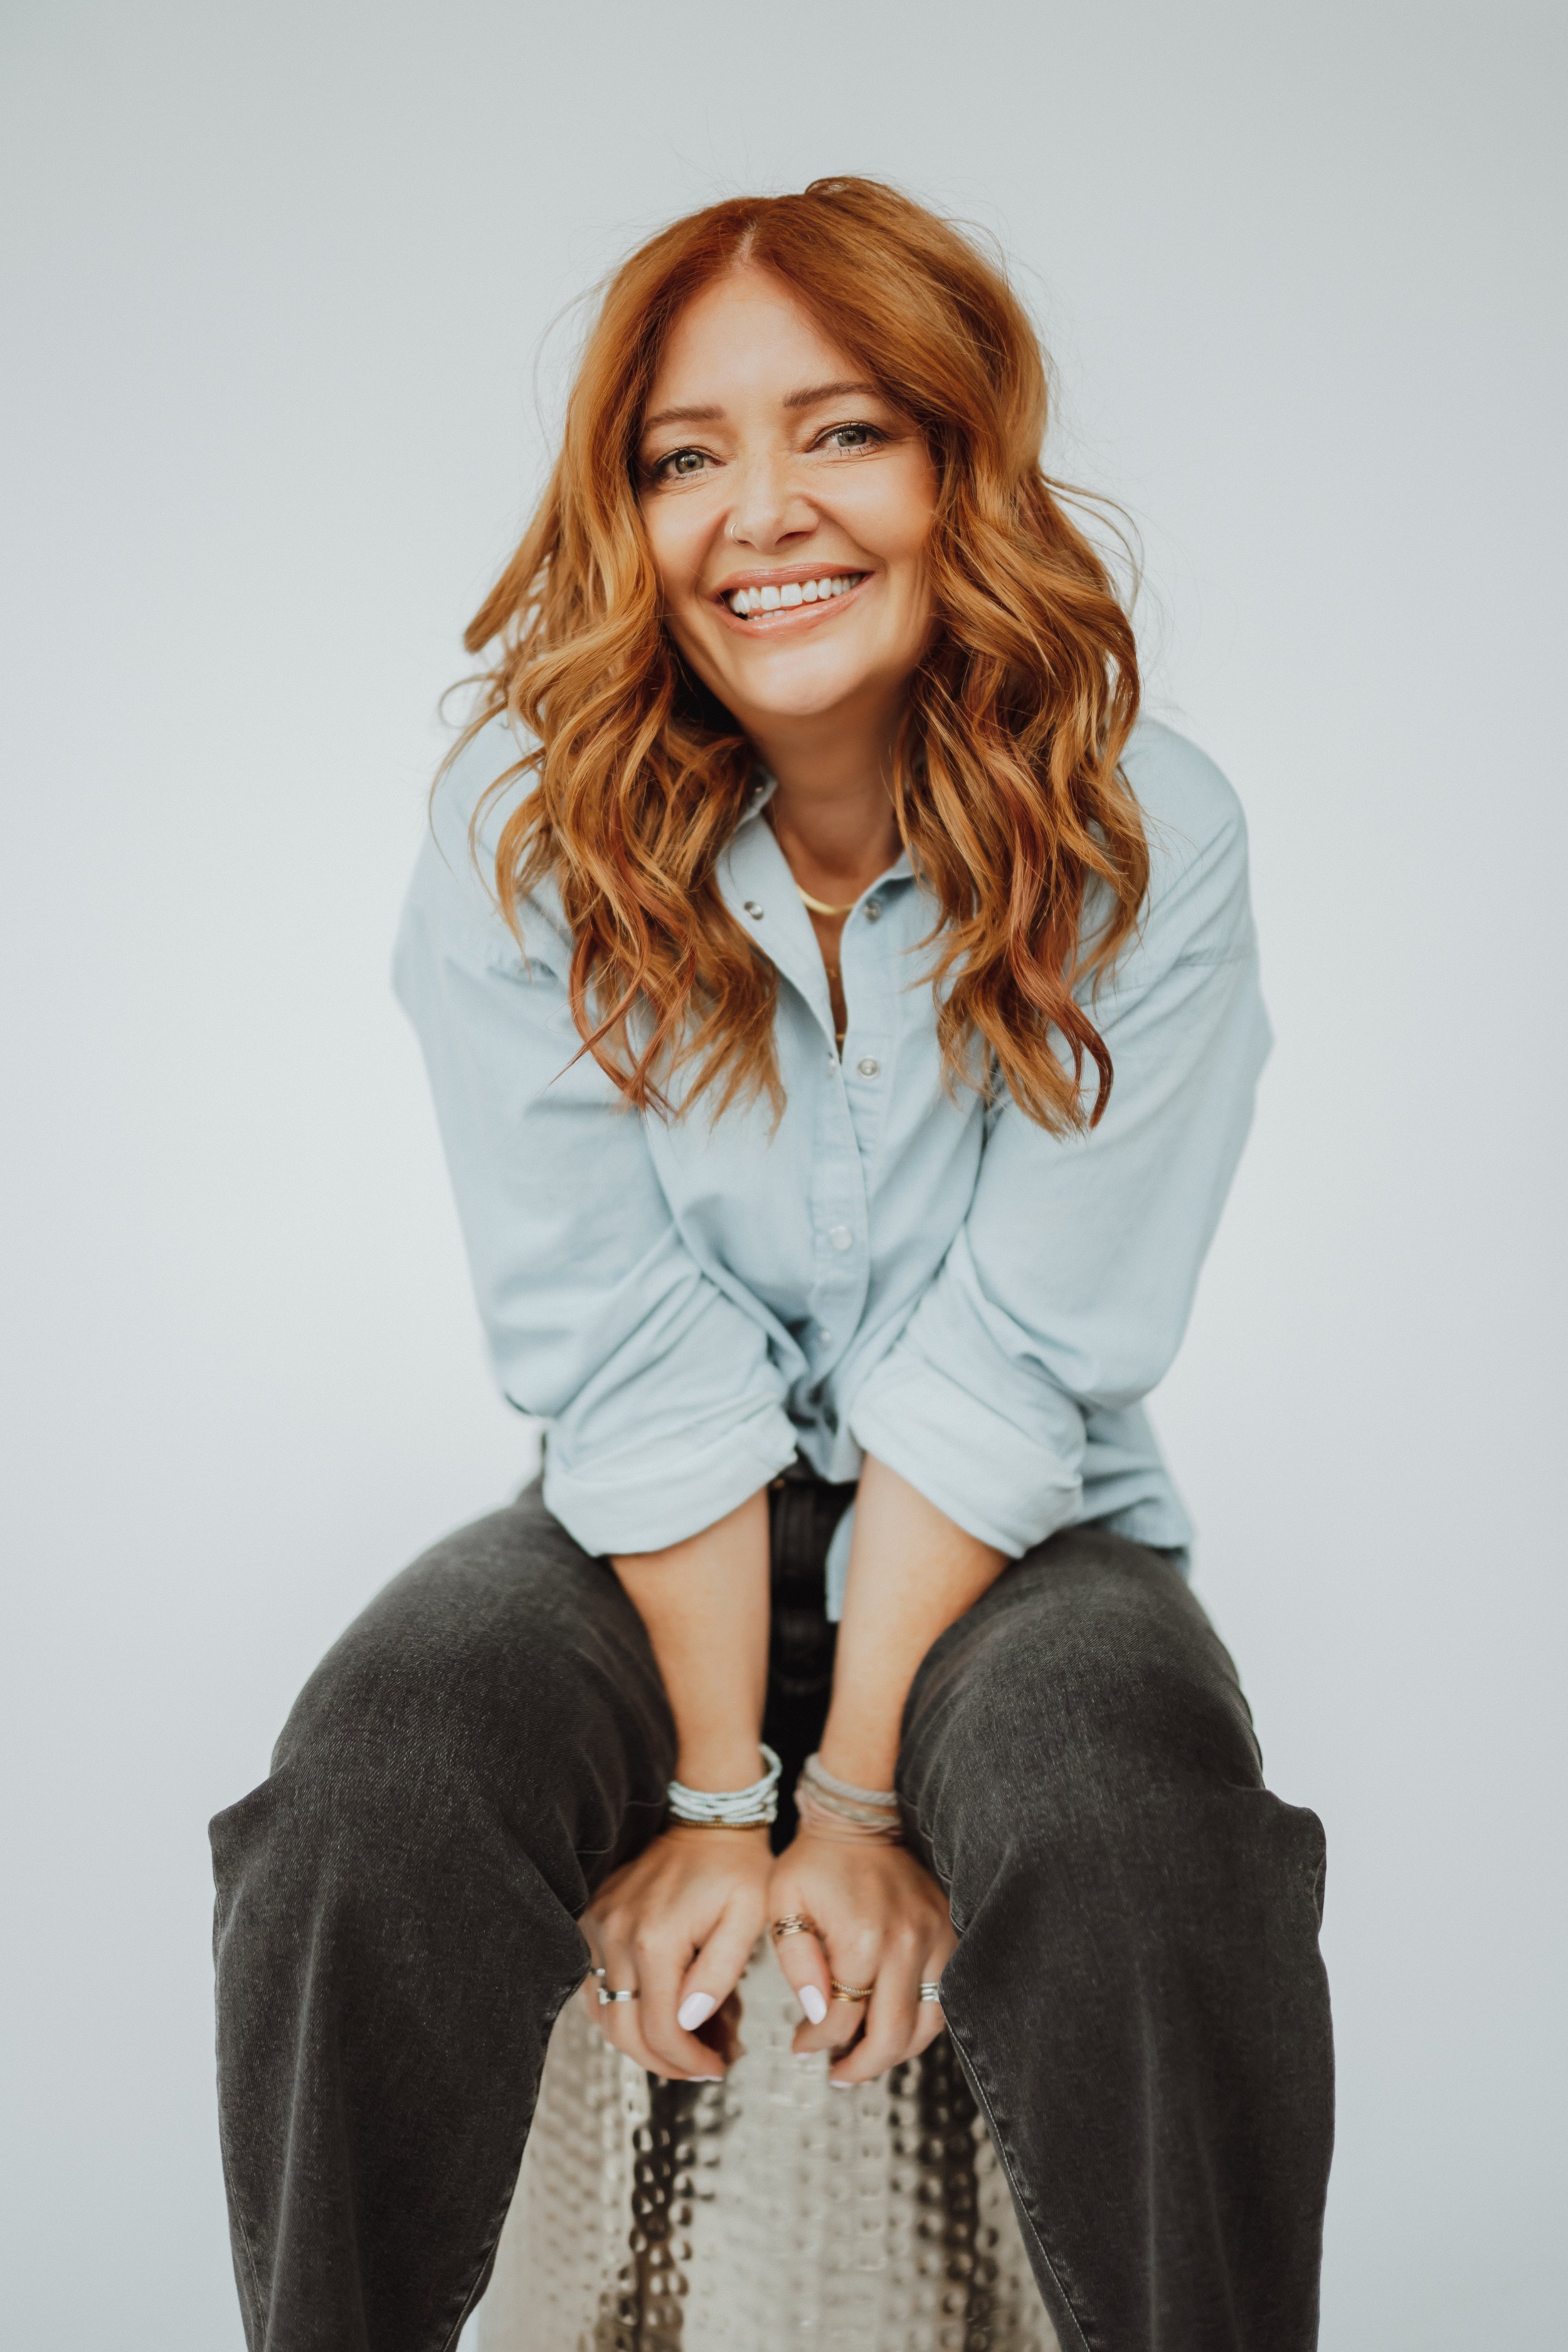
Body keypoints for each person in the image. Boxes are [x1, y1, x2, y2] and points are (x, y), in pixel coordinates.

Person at [210, 177, 1333, 2352]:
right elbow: (617, 1347)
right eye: (682, 453)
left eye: (841, 431)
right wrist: (725, 1795)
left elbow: (1024, 1357)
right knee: (370, 1789)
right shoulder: (520, 837)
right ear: (624, 510)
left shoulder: (1151, 840)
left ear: (954, 466)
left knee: (1132, 1816)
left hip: (1025, 1541)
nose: (758, 511)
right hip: (638, 1524)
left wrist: (856, 1801)